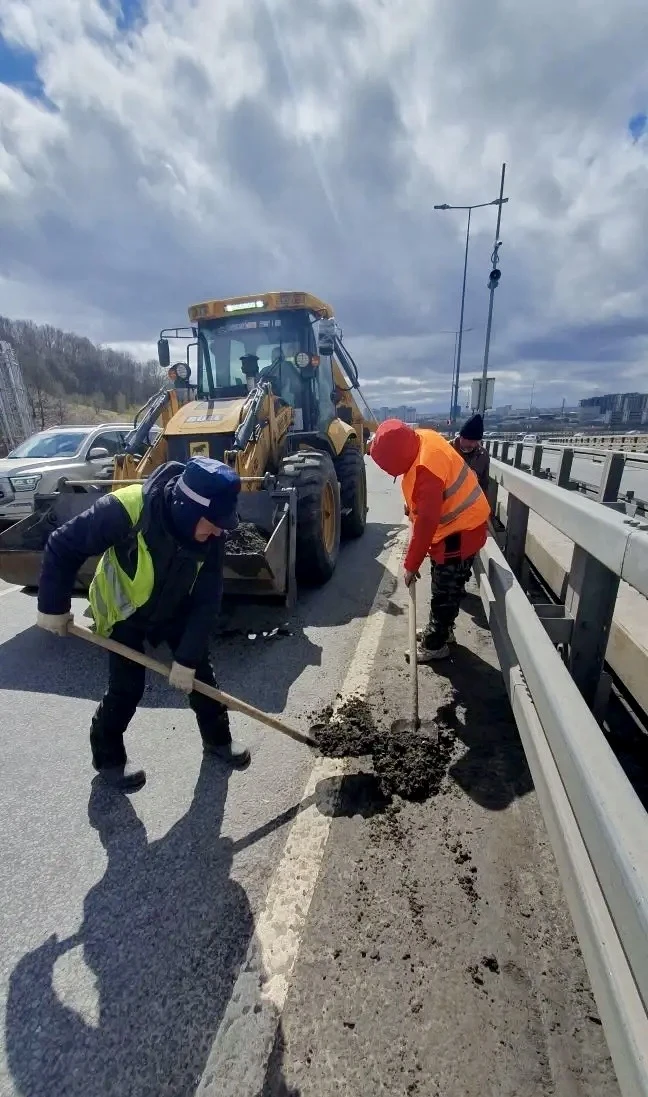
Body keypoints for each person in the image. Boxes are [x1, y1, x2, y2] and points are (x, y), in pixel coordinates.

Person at [36, 457, 251, 792]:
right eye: (212, 523)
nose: (218, 531)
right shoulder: (127, 508)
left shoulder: (212, 534)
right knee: (126, 688)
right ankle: (108, 759)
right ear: (187, 509)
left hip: (176, 605)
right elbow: (63, 544)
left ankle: (218, 740)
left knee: (201, 677)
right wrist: (53, 606)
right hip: (125, 609)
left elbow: (208, 598)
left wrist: (186, 659)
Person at [370, 419, 490, 662]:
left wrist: (411, 565)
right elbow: (423, 502)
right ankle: (442, 631)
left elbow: (426, 521)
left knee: (445, 590)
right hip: (458, 525)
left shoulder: (427, 469)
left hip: (461, 531)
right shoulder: (422, 438)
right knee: (445, 586)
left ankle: (436, 644)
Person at [453, 413, 490, 495]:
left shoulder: (483, 455)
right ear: (461, 437)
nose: (473, 445)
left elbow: (484, 484)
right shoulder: (448, 450)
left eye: (476, 441)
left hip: (471, 500)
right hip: (450, 500)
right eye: (471, 441)